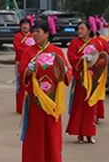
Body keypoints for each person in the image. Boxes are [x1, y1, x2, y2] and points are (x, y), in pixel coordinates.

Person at [20, 19, 71, 162]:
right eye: (33, 32)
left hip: (53, 100)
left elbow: (66, 74)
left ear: (47, 34)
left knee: (52, 134)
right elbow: (23, 72)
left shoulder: (57, 52)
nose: (34, 35)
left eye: (38, 32)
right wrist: (28, 72)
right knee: (35, 134)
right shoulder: (28, 53)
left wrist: (65, 71)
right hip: (35, 101)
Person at [66, 21, 105, 144]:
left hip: (92, 79)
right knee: (79, 107)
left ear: (89, 30)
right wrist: (82, 59)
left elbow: (101, 58)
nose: (80, 30)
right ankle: (80, 135)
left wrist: (95, 63)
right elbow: (71, 58)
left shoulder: (95, 43)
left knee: (91, 107)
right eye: (78, 28)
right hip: (80, 79)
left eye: (82, 28)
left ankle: (89, 134)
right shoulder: (74, 43)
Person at [13, 18, 35, 114]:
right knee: (20, 85)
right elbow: (18, 48)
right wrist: (28, 51)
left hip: (32, 63)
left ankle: (31, 107)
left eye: (27, 24)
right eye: (23, 24)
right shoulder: (17, 36)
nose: (25, 26)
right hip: (20, 63)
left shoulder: (33, 36)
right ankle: (20, 108)